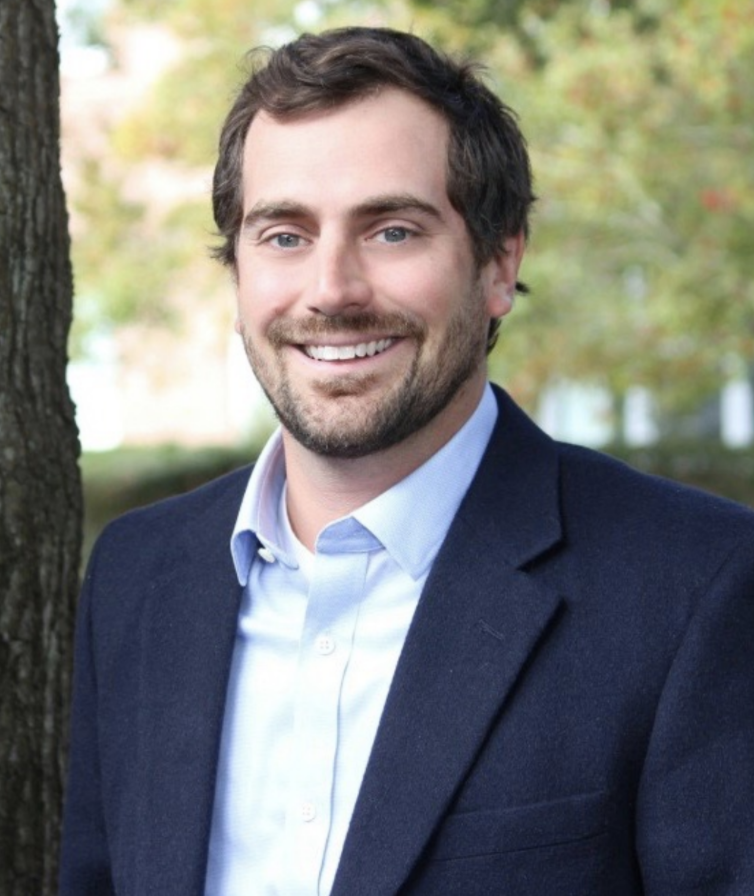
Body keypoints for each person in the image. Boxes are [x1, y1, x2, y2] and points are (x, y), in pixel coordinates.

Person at [59, 25, 754, 896]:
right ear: (235, 269)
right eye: (284, 235)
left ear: (499, 264)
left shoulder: (696, 586)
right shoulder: (137, 578)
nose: (332, 290)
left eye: (391, 231)